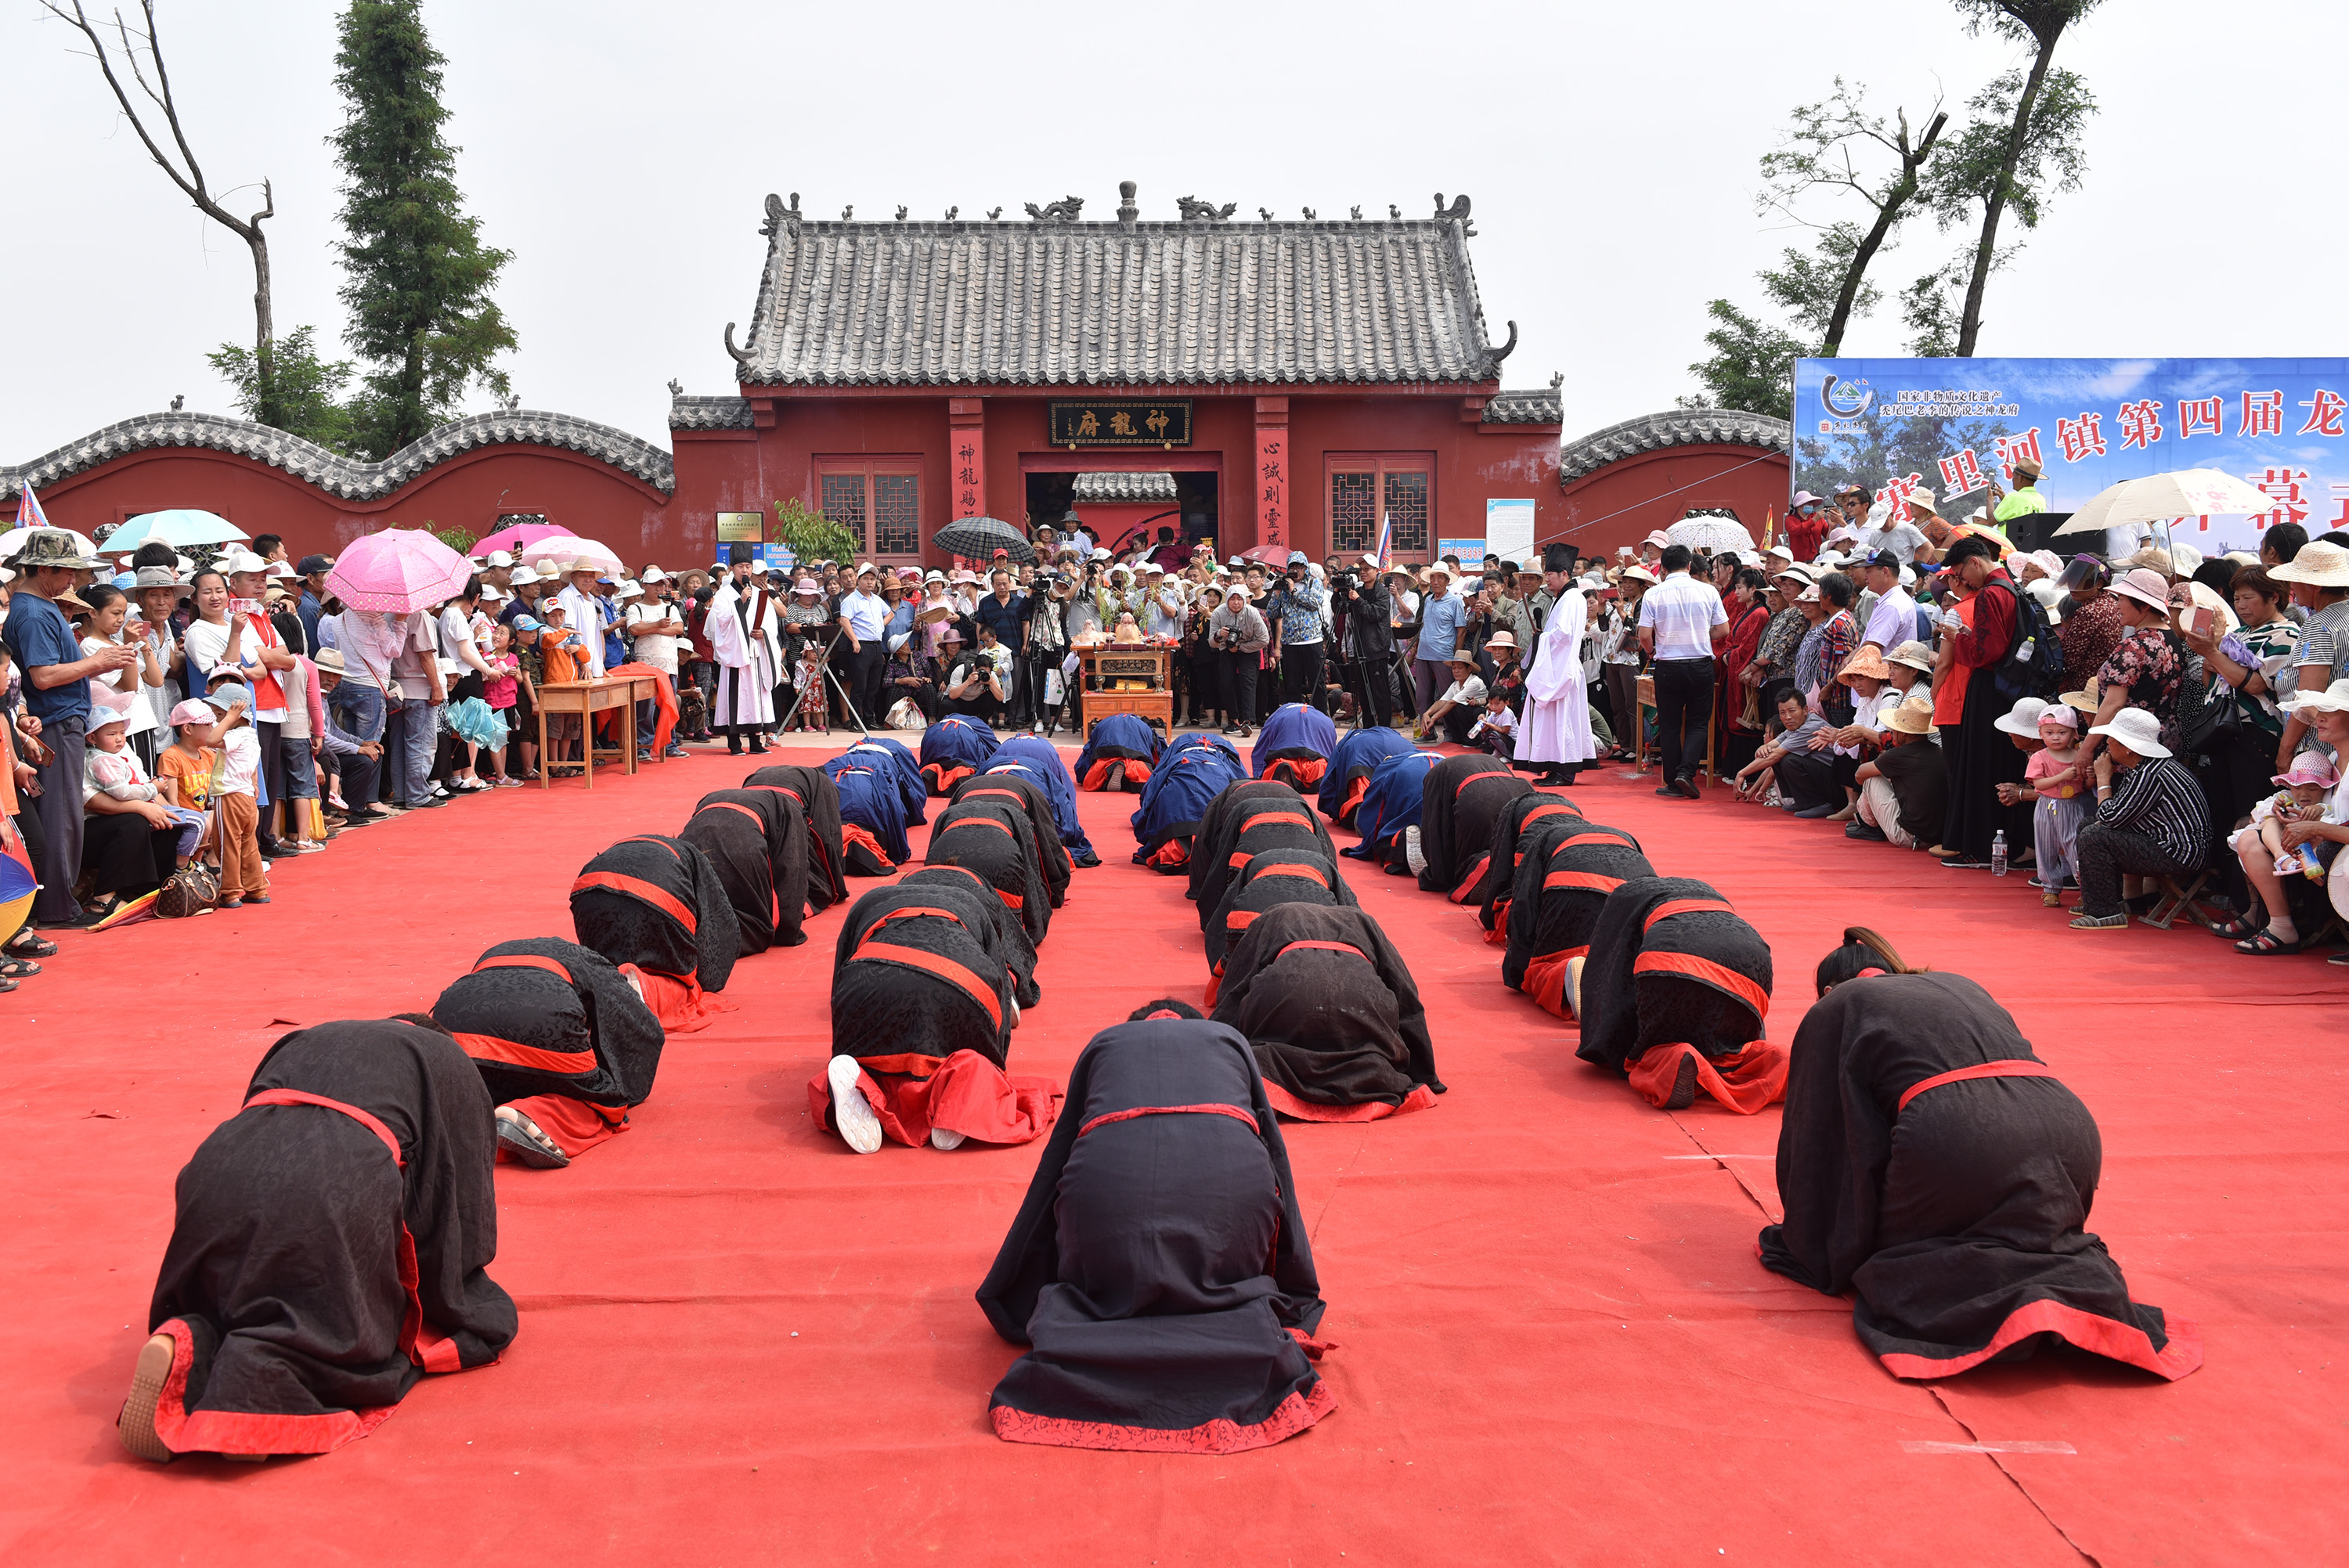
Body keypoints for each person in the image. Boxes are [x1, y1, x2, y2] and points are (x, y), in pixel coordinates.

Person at [1759, 932, 2201, 1382]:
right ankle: (2065, 1294)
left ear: (1830, 989)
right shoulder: (1960, 983)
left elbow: (1820, 1132)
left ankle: (2015, 1308)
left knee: (1906, 1244)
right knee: (2033, 1230)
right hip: (2070, 1128)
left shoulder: (1839, 1005)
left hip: (1961, 1133)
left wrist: (1815, 1236)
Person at [118, 1018, 517, 1462]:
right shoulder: (447, 1061)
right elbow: (454, 1201)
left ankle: (191, 1333)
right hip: (334, 1175)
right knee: (343, 1331)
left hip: (216, 1164)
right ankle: (259, 1380)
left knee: (233, 1288)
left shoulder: (304, 1039)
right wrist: (453, 1296)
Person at [974, 1008, 1332, 1453]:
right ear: (1193, 1025)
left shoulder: (1104, 1042)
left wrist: (1015, 1283)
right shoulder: (1230, 1040)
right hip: (1227, 1219)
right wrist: (1296, 1284)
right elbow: (1274, 1155)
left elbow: (1057, 1162)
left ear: (1135, 1028)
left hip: (1109, 1229)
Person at [813, 885, 1059, 1155]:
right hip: (961, 975)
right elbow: (999, 980)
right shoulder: (974, 898)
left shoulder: (869, 899)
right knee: (975, 1063)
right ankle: (958, 1100)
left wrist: (844, 1041)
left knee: (871, 1055)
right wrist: (996, 1061)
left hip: (869, 973)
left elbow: (840, 973)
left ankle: (864, 1080)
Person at [430, 936, 666, 1168]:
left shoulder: (497, 952)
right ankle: (532, 1114)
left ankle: (470, 1119)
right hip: (545, 1020)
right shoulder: (596, 963)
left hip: (453, 1029)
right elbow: (637, 1026)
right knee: (601, 1105)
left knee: (489, 1084)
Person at [5, 530, 136, 927]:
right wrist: (100, 662)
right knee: (59, 819)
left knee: (64, 817)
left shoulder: (38, 607)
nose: (73, 584)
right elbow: (43, 677)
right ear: (45, 569)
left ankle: (59, 903)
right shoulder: (32, 613)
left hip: (61, 722)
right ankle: (55, 907)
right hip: (56, 723)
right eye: (68, 574)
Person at [1211, 903, 1442, 1121]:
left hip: (1287, 990)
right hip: (1359, 997)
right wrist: (1425, 1074)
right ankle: (1369, 1070)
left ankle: (1274, 1076)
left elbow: (1236, 988)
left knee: (1261, 1048)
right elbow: (1405, 992)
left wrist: (1215, 1052)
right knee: (1376, 1047)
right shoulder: (1363, 920)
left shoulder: (1271, 917)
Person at [1571, 876, 1784, 1112]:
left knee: (1655, 1049)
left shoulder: (1625, 895)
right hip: (1752, 960)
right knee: (1734, 1047)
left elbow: (1609, 971)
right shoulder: (1705, 888)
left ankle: (1673, 1059)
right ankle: (1776, 1061)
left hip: (1674, 954)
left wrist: (1604, 1041)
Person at [2223, 682, 2349, 954]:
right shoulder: (2331, 758)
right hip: (2320, 841)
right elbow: (2319, 810)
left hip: (2336, 848)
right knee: (2249, 836)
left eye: (2330, 711)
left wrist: (2313, 829)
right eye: (2319, 711)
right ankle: (2281, 925)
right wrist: (2290, 811)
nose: (2320, 718)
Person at [568, 834, 742, 1027]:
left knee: (605, 964)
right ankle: (645, 987)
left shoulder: (625, 844)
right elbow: (716, 919)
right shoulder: (692, 857)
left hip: (590, 891)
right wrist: (700, 976)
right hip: (658, 896)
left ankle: (599, 992)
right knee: (683, 985)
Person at [1931, 536, 2028, 869]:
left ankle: (1981, 847)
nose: (1963, 583)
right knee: (1991, 763)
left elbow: (1988, 652)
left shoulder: (1991, 593)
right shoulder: (2011, 588)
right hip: (2004, 687)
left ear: (1974, 562)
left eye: (1960, 573)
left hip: (1988, 685)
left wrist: (1959, 638)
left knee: (1980, 766)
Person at [2069, 706, 2210, 931]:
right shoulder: (2145, 768)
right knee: (2088, 825)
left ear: (2126, 748)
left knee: (2094, 834)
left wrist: (2103, 779)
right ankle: (2106, 902)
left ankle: (2104, 913)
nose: (2107, 745)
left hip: (2179, 853)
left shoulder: (2150, 773)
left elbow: (2109, 818)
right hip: (2171, 845)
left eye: (2111, 740)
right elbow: (2117, 813)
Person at [1636, 544, 1727, 798]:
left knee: (1670, 724)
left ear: (1663, 568)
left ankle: (1673, 783)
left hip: (1667, 665)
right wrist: (1700, 635)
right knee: (1698, 722)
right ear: (1690, 566)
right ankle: (1686, 772)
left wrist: (1652, 650)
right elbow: (1723, 631)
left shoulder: (1654, 594)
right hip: (1700, 664)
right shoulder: (1708, 591)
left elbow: (1644, 635)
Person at [1520, 549, 1597, 788]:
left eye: (1550, 574)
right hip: (1556, 665)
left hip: (1562, 668)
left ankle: (1563, 770)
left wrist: (1543, 638)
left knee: (1562, 720)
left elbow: (1564, 635)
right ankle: (1553, 765)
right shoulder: (1564, 597)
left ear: (1564, 574)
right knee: (1554, 719)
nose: (1547, 579)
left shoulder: (1572, 597)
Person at [2004, 705, 2090, 903]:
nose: (2056, 737)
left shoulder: (2079, 757)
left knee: (2075, 846)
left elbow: (2085, 786)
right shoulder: (2039, 757)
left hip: (2072, 807)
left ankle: (2086, 888)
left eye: (2062, 732)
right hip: (2047, 806)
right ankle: (2050, 888)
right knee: (2046, 847)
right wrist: (2063, 775)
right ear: (2041, 734)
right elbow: (2039, 785)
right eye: (2050, 733)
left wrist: (2091, 777)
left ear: (2073, 733)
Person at [1850, 694, 1943, 848]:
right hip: (1936, 836)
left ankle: (1870, 826)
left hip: (1909, 836)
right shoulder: (1938, 751)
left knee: (1871, 779)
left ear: (1904, 733)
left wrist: (1883, 764)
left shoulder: (1899, 755)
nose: (1891, 731)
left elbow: (1860, 774)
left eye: (1893, 728)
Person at [1262, 550, 1329, 712]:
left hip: (1312, 641)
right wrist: (1277, 592)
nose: (1296, 570)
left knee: (1317, 683)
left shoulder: (1314, 583)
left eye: (1300, 567)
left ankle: (1322, 718)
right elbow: (1271, 613)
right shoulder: (1283, 586)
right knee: (1292, 685)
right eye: (1292, 567)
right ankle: (1294, 718)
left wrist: (1294, 591)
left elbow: (1314, 603)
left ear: (1305, 568)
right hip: (1290, 643)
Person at [1210, 585, 1270, 736]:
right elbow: (1211, 642)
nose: (1236, 602)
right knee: (1226, 683)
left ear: (1244, 600)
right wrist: (1219, 634)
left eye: (1239, 599)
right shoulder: (1218, 613)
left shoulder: (1253, 613)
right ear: (1227, 600)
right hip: (1226, 649)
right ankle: (1234, 720)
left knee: (1248, 683)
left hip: (1249, 649)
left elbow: (1264, 639)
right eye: (1232, 599)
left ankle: (1248, 722)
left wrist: (1242, 647)